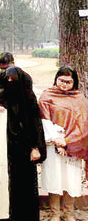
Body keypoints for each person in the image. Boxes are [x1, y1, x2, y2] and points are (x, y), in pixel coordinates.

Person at [0, 58, 46, 221]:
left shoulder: (29, 102)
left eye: (13, 80)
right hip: (5, 151)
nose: (10, 83)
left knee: (26, 186)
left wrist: (36, 147)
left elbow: (36, 125)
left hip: (26, 150)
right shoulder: (1, 102)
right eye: (7, 80)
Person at [38, 67, 88, 221]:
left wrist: (67, 142)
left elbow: (84, 124)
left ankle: (69, 212)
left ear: (74, 82)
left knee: (70, 179)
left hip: (74, 146)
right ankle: (55, 213)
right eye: (62, 80)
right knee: (55, 178)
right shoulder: (47, 96)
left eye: (69, 81)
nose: (65, 84)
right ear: (56, 79)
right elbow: (44, 121)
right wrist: (58, 142)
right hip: (53, 145)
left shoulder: (80, 98)